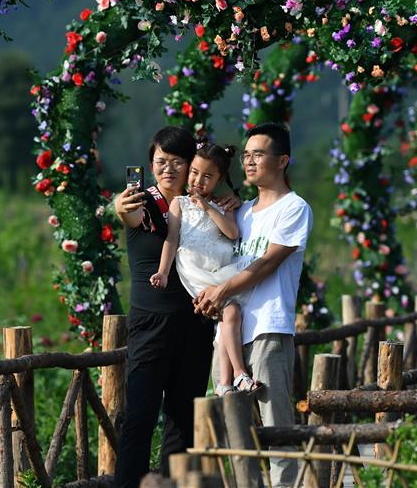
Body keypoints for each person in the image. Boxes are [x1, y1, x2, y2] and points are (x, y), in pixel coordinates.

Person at [113, 126, 234, 488]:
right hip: (151, 323)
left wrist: (229, 201)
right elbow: (128, 213)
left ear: (191, 165)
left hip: (196, 322)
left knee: (184, 419)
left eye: (177, 162)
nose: (168, 169)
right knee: (140, 417)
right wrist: (119, 206)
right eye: (160, 161)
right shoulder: (143, 202)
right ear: (150, 164)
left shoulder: (202, 205)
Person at [194, 123, 313, 487]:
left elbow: (266, 264)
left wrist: (220, 291)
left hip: (268, 329)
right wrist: (208, 294)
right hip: (228, 334)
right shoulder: (241, 212)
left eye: (258, 154)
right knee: (233, 431)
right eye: (245, 155)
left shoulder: (294, 208)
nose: (248, 161)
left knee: (277, 428)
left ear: (282, 160)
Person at [149, 141, 264, 395]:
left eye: (207, 176)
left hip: (221, 271)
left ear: (219, 179)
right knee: (230, 312)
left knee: (230, 315)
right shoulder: (179, 203)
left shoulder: (224, 205)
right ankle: (238, 374)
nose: (198, 181)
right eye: (194, 172)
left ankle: (226, 382)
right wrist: (163, 271)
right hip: (196, 272)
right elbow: (172, 239)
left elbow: (232, 233)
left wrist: (208, 208)